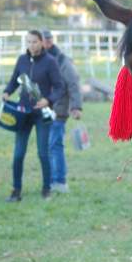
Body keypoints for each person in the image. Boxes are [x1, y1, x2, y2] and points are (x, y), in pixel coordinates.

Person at [2, 30, 64, 201]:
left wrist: (48, 100)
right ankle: (16, 191)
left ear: (42, 43)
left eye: (35, 42)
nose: (31, 45)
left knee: (43, 153)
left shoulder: (50, 62)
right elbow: (14, 80)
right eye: (28, 42)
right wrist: (7, 92)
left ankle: (46, 189)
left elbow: (60, 87)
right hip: (22, 113)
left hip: (41, 114)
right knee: (18, 154)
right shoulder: (21, 60)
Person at [41, 31, 82, 193]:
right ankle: (51, 180)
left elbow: (73, 83)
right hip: (43, 110)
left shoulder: (63, 61)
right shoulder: (40, 60)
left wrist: (76, 106)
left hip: (58, 110)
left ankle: (59, 181)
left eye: (47, 39)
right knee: (48, 146)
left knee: (55, 145)